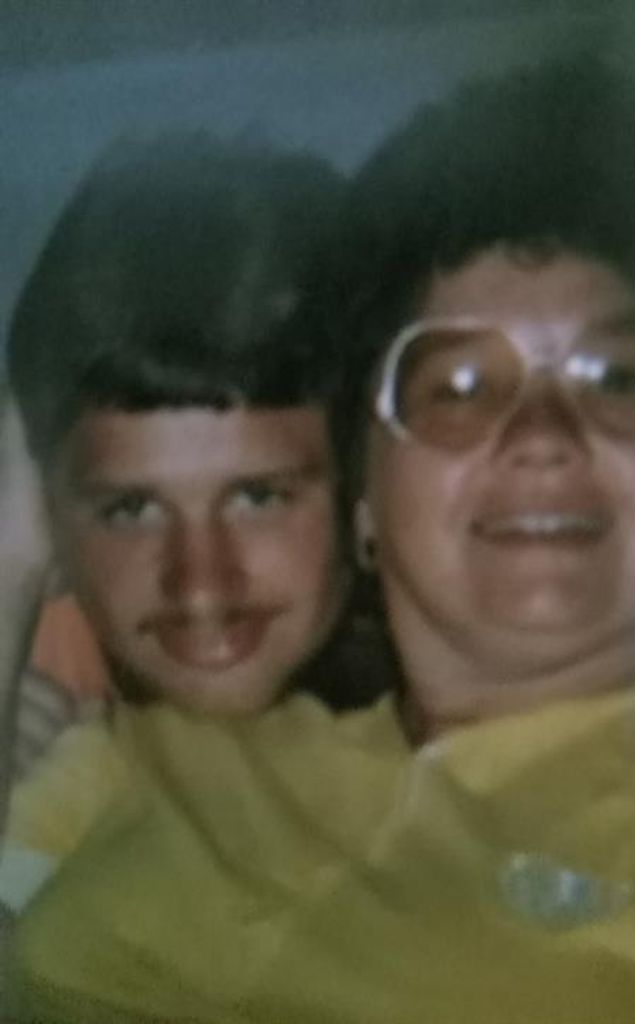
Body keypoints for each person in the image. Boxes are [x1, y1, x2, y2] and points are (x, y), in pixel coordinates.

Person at [6, 59, 635, 1023]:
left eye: (619, 378)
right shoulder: (156, 758)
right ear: (363, 491)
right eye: (459, 387)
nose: (542, 435)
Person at [0, 135, 360, 923]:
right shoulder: (67, 722)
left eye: (257, 496)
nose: (199, 583)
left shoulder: (465, 717)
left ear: (364, 487)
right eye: (132, 509)